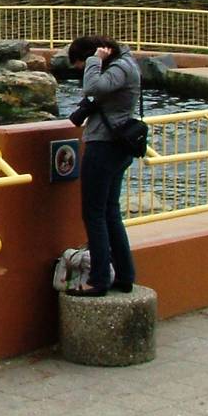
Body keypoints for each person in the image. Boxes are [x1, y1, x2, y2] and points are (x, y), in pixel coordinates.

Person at [63, 35, 140, 297]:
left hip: (105, 146)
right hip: (116, 146)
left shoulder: (119, 67)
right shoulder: (125, 65)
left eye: (80, 66)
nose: (81, 72)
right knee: (109, 212)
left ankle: (98, 280)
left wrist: (95, 61)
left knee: (94, 213)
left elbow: (92, 88)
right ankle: (124, 275)